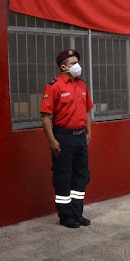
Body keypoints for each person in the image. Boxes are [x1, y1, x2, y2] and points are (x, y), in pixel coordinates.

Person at [40, 49, 93, 229]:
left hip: (80, 137)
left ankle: (77, 213)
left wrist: (89, 131)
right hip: (63, 137)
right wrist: (51, 140)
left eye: (77, 62)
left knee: (81, 176)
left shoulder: (82, 85)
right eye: (72, 63)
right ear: (63, 67)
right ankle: (65, 215)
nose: (77, 66)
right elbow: (45, 115)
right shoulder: (54, 86)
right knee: (63, 177)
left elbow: (87, 109)